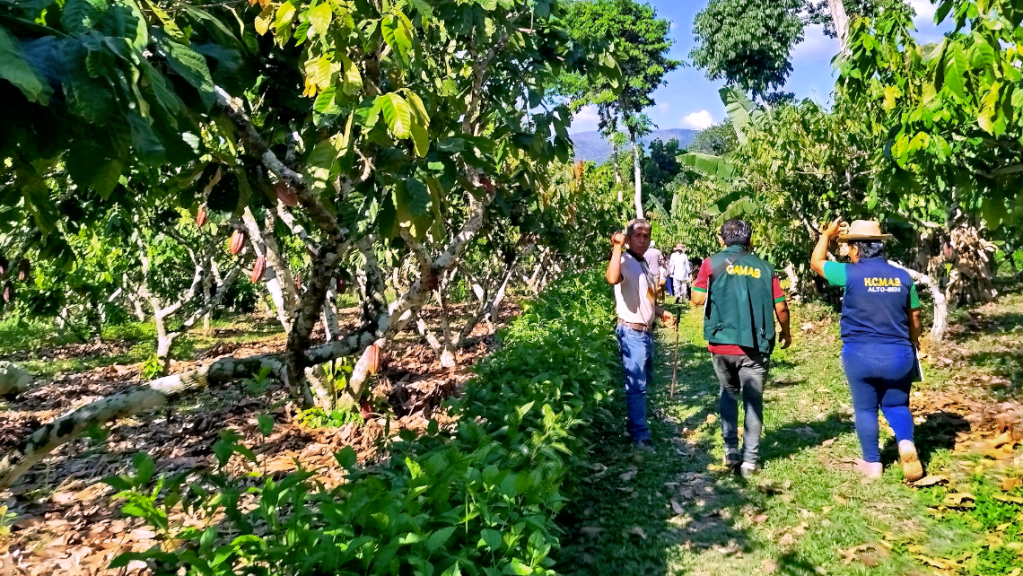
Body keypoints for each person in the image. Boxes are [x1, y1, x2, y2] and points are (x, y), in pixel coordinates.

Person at [810, 219, 924, 481]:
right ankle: (905, 443)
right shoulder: (903, 277)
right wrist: (914, 340)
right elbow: (914, 315)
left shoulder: (850, 274)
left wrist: (826, 235)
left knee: (865, 408)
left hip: (860, 355)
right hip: (899, 354)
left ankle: (872, 463)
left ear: (857, 249)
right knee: (897, 403)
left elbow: (816, 263)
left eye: (849, 246)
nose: (848, 252)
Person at [691, 219, 792, 477]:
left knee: (728, 391)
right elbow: (780, 306)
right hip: (756, 346)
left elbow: (697, 298)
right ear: (749, 240)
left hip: (721, 343)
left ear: (723, 240)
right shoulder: (765, 267)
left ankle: (730, 449)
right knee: (753, 401)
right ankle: (750, 461)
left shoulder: (712, 263)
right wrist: (786, 333)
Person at [606, 219, 676, 451]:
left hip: (645, 333)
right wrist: (617, 248)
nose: (642, 240)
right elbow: (612, 279)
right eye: (637, 235)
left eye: (646, 236)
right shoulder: (624, 260)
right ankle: (640, 435)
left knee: (644, 382)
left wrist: (660, 312)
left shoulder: (642, 263)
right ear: (628, 238)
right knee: (636, 385)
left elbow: (646, 298)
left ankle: (636, 424)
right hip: (632, 333)